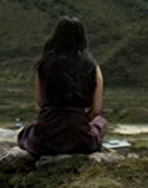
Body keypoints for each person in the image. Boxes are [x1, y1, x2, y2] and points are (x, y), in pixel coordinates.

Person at [16, 17, 107, 156]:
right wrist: (81, 122)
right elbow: (96, 110)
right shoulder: (93, 67)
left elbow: (40, 102)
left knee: (26, 132)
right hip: (80, 137)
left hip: (46, 137)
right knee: (101, 123)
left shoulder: (44, 65)